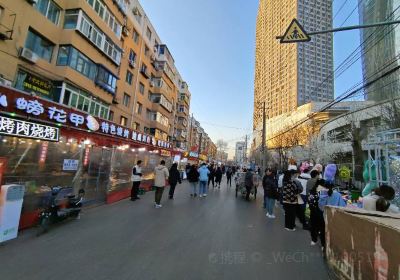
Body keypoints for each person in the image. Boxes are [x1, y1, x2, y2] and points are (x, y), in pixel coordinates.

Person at [308, 179, 326, 248]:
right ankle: (323, 244)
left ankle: (313, 240)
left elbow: (309, 200)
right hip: (321, 211)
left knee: (313, 226)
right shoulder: (324, 191)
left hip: (313, 210)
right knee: (322, 227)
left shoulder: (313, 190)